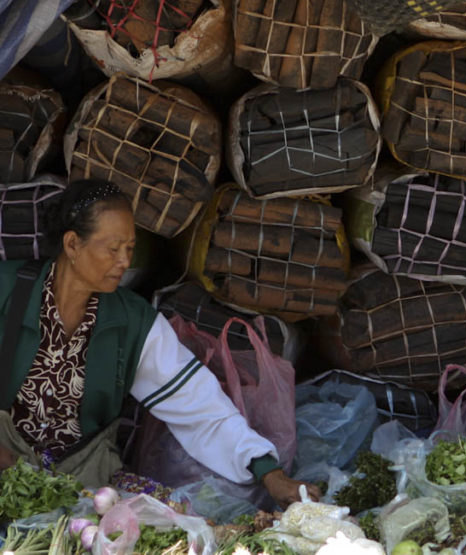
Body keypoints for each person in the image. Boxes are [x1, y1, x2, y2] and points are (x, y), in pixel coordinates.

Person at [0, 179, 320, 506]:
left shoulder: (132, 323)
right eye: (113, 249)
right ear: (72, 245)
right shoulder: (8, 289)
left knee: (171, 515)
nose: (124, 261)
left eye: (129, 248)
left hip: (81, 476)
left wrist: (268, 471)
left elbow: (198, 404)